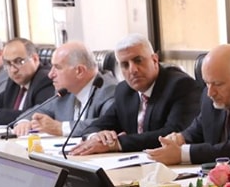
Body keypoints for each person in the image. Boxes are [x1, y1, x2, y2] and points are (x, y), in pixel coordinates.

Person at [146, 44, 230, 165]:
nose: (210, 93)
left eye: (217, 84)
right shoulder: (213, 94)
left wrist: (182, 154)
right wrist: (180, 138)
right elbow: (199, 128)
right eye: (207, 83)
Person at [71, 34, 201, 155]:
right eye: (125, 65)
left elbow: (172, 134)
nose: (133, 70)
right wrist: (97, 136)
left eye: (138, 61)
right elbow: (98, 125)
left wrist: (117, 144)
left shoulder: (180, 86)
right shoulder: (124, 90)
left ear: (154, 60)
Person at [13, 41, 118, 137]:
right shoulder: (67, 92)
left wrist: (61, 128)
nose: (50, 74)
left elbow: (109, 124)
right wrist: (24, 122)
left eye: (57, 67)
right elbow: (39, 110)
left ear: (80, 71)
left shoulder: (108, 91)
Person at [0, 38, 55, 125]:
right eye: (8, 63)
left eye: (19, 61)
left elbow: (35, 115)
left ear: (35, 59)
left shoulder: (45, 79)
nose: (13, 70)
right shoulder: (14, 81)